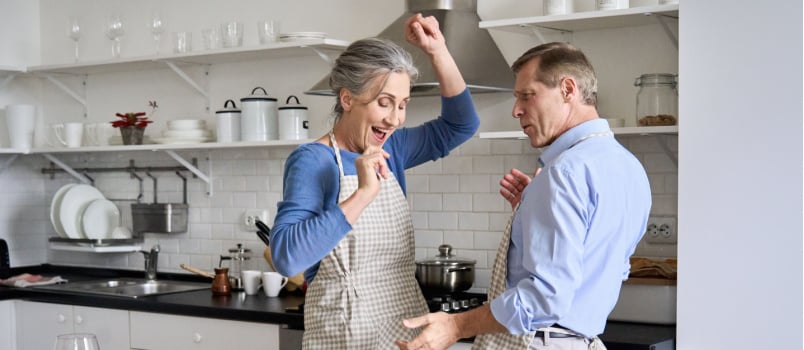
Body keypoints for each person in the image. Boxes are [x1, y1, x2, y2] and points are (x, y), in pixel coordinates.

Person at [395, 42, 652, 350]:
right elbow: (606, 268)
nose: (516, 110)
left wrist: (456, 324)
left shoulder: (564, 173)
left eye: (527, 95)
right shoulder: (630, 168)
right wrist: (533, 211)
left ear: (568, 89)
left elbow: (546, 298)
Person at [269, 14, 480, 349]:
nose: (394, 119)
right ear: (347, 99)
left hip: (403, 329)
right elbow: (286, 257)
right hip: (345, 334)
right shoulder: (313, 160)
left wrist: (438, 51)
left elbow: (461, 126)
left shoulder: (392, 146)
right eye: (384, 103)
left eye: (403, 105)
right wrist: (364, 193)